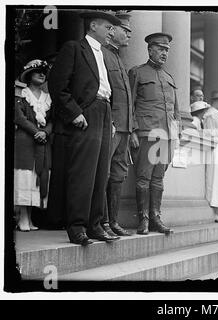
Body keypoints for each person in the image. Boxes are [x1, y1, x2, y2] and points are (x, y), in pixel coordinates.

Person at [48, 10, 122, 245]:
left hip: (103, 112)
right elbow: (57, 86)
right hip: (85, 114)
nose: (111, 32)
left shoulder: (106, 55)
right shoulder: (74, 48)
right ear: (93, 27)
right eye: (108, 28)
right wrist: (75, 113)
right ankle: (77, 226)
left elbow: (105, 90)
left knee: (101, 173)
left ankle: (95, 225)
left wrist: (109, 120)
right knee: (83, 173)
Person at [128, 32, 181, 235]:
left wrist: (176, 136)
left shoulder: (169, 77)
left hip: (166, 136)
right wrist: (133, 131)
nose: (164, 53)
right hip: (147, 133)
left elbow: (175, 111)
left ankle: (156, 217)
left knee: (159, 179)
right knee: (143, 178)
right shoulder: (138, 73)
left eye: (166, 50)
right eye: (160, 49)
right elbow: (130, 104)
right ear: (150, 49)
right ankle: (143, 219)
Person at [100, 12, 137, 237]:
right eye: (126, 31)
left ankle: (112, 221)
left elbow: (127, 100)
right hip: (111, 125)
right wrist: (110, 122)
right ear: (112, 31)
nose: (129, 35)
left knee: (118, 175)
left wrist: (130, 128)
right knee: (102, 173)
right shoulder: (102, 55)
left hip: (124, 128)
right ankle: (101, 222)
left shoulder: (120, 60)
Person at [14, 59, 52, 231]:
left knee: (37, 177)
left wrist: (45, 132)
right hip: (25, 141)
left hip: (42, 143)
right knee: (25, 176)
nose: (41, 74)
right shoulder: (21, 95)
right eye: (38, 72)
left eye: (44, 72)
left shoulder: (48, 99)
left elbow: (52, 121)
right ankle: (22, 216)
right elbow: (19, 117)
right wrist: (35, 131)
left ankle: (29, 218)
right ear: (29, 75)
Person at [190, 101, 218, 224]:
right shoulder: (211, 116)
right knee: (217, 181)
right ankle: (217, 213)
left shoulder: (215, 116)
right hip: (216, 149)